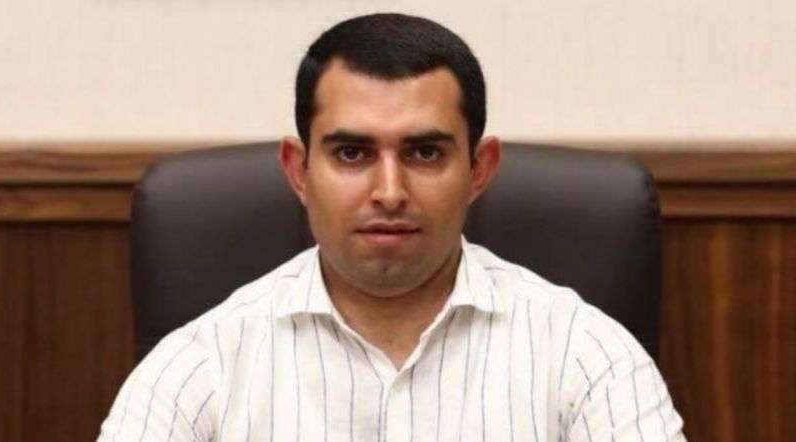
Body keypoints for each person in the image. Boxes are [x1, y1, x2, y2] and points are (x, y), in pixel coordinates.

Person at [98, 13, 685, 441]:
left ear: (479, 168)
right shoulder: (198, 368)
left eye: (424, 153)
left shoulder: (585, 355)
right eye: (352, 153)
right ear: (299, 171)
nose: (389, 192)